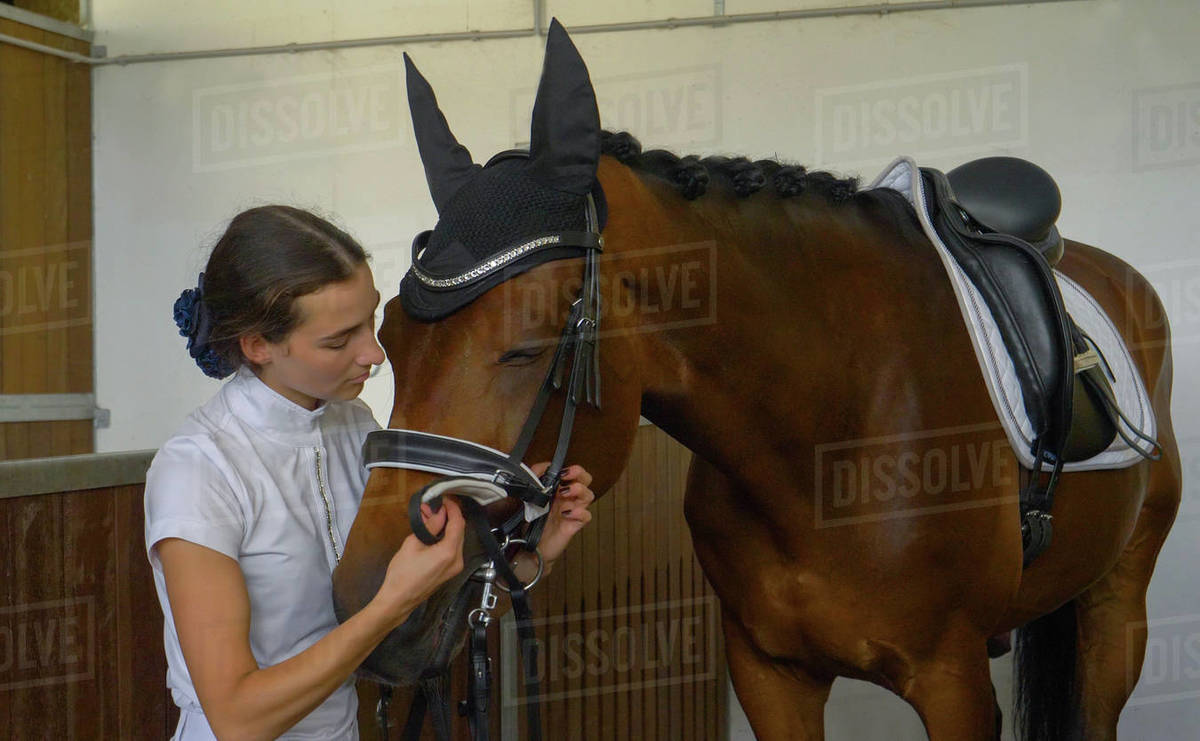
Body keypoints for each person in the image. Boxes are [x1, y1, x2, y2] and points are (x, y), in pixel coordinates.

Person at [144, 205, 595, 740]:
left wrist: (533, 551)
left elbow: (422, 627)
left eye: (371, 321)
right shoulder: (200, 469)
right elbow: (238, 718)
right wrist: (391, 604)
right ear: (257, 345)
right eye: (339, 341)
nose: (375, 354)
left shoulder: (355, 428)